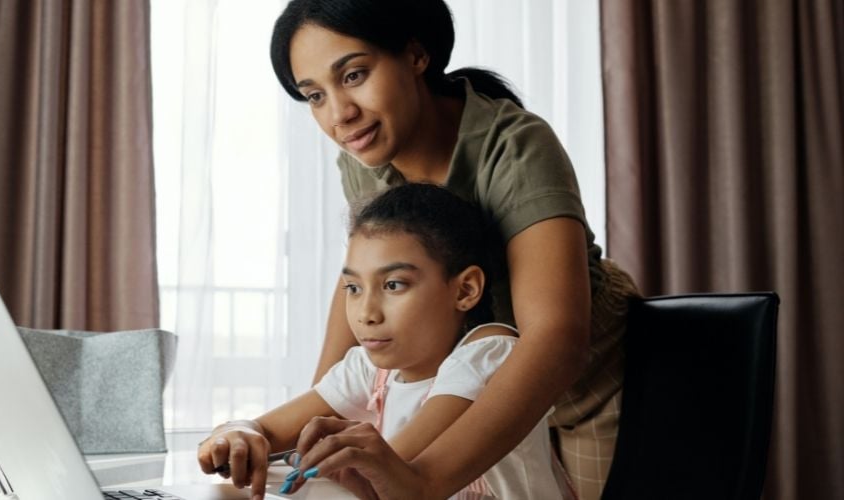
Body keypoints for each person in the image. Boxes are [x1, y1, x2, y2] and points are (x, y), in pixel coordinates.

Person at [268, 1, 641, 499]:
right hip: (471, 386)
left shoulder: (514, 146)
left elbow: (555, 339)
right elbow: (363, 276)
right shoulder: (363, 155)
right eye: (314, 95)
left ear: (416, 54)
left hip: (583, 386)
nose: (339, 114)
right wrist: (318, 424)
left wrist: (421, 478)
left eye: (354, 75)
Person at [198, 183, 569, 500]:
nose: (366, 313)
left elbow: (391, 474)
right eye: (354, 288)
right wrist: (238, 433)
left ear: (465, 289)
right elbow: (265, 429)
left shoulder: (491, 353)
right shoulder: (369, 369)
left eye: (393, 285)